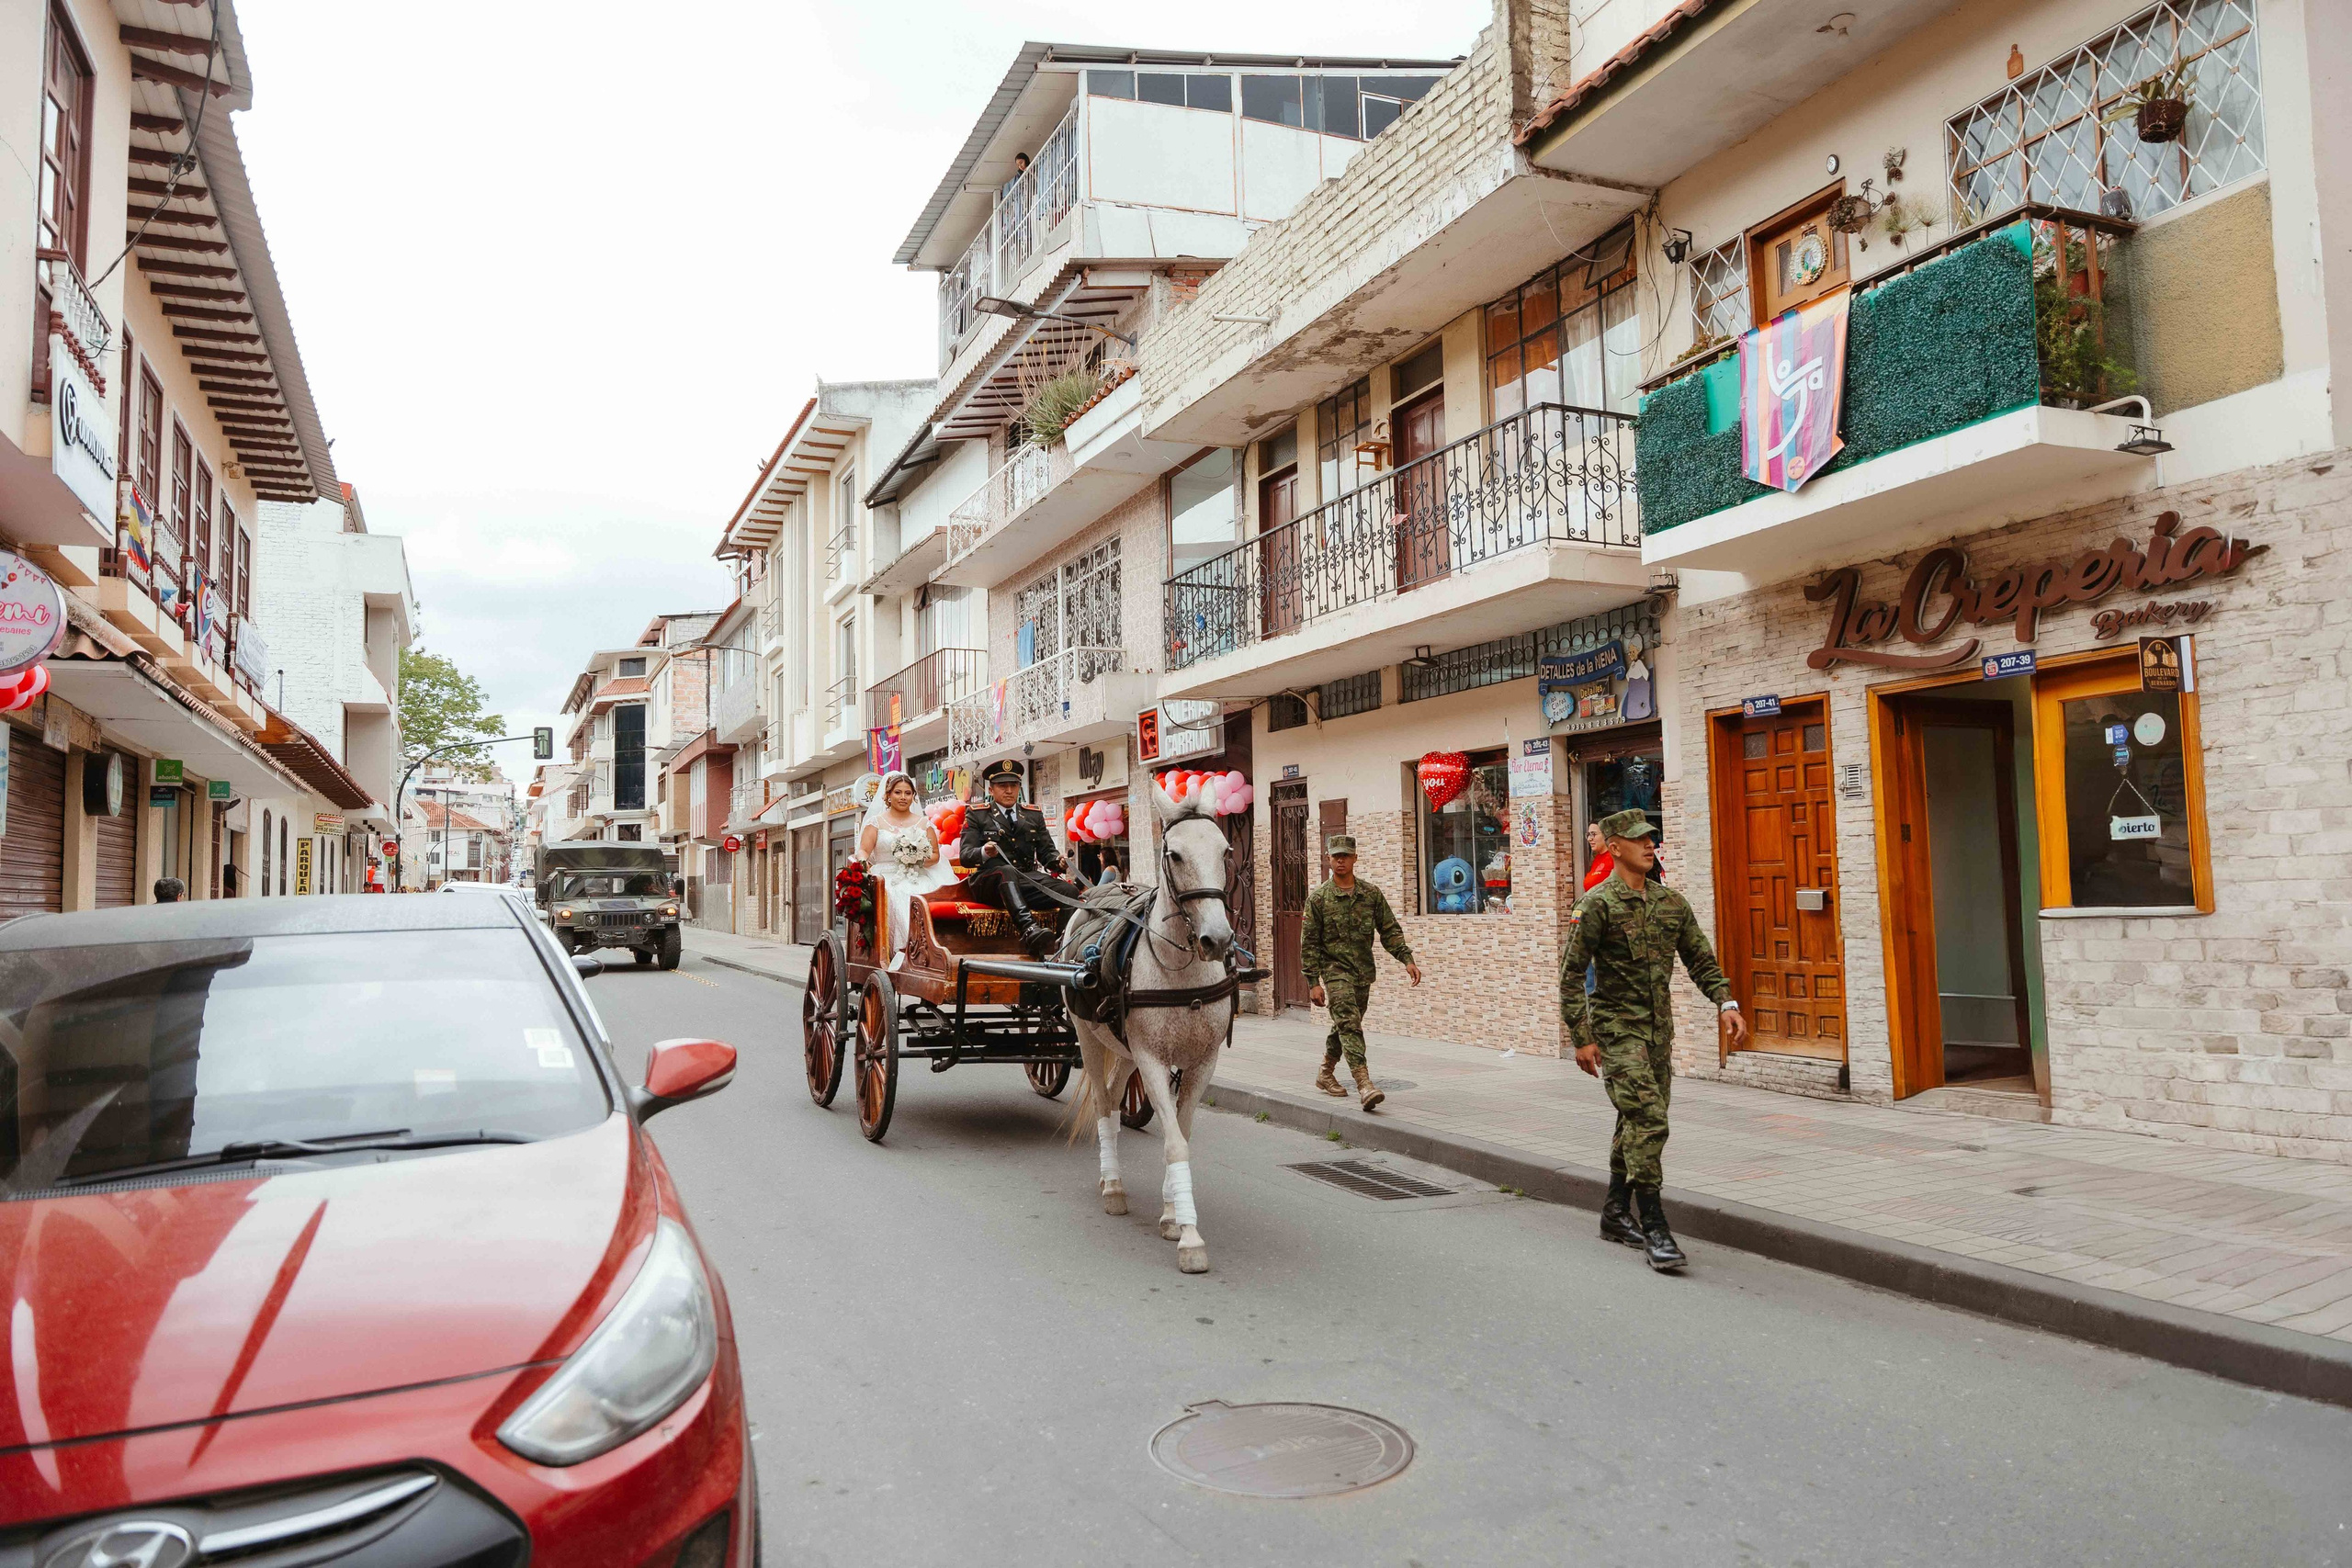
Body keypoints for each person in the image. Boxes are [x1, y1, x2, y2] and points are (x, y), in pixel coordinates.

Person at [1558, 808, 1747, 1273]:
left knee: (1635, 1121)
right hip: (1616, 1031)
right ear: (1615, 846)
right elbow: (1570, 976)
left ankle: (1615, 1213)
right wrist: (1581, 1037)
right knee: (1649, 1118)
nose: (1649, 845)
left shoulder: (1671, 904)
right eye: (1639, 839)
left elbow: (1701, 960)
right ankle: (1656, 1226)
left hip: (1658, 1032)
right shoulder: (1596, 904)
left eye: (1652, 838)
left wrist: (1726, 1003)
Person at [1300, 835, 1420, 1111]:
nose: (1340, 860)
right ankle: (1364, 1084)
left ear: (1355, 858)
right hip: (1334, 970)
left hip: (1363, 972)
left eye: (1346, 855)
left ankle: (1325, 1072)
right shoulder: (1318, 900)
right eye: (1335, 856)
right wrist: (1313, 982)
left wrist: (1407, 959)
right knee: (1350, 1024)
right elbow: (1309, 944)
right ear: (1328, 859)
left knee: (1345, 1024)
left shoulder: (1371, 894)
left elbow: (1389, 929)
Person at [957, 761, 1075, 956]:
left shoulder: (1032, 815)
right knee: (1007, 871)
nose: (1009, 791)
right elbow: (965, 857)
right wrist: (984, 852)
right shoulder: (977, 814)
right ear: (991, 789)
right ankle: (1029, 930)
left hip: (1026, 880)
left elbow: (1047, 852)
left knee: (1069, 890)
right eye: (1003, 786)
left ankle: (1061, 947)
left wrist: (1058, 861)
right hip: (989, 883)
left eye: (1014, 786)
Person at [857, 770, 955, 967]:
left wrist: (918, 858)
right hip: (886, 877)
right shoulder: (875, 823)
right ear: (888, 795)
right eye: (898, 793)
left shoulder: (923, 823)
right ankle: (904, 951)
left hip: (917, 873)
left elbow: (935, 855)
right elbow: (863, 851)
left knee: (927, 897)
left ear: (913, 796)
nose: (903, 797)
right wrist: (862, 863)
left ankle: (934, 952)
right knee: (898, 895)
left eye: (908, 793)